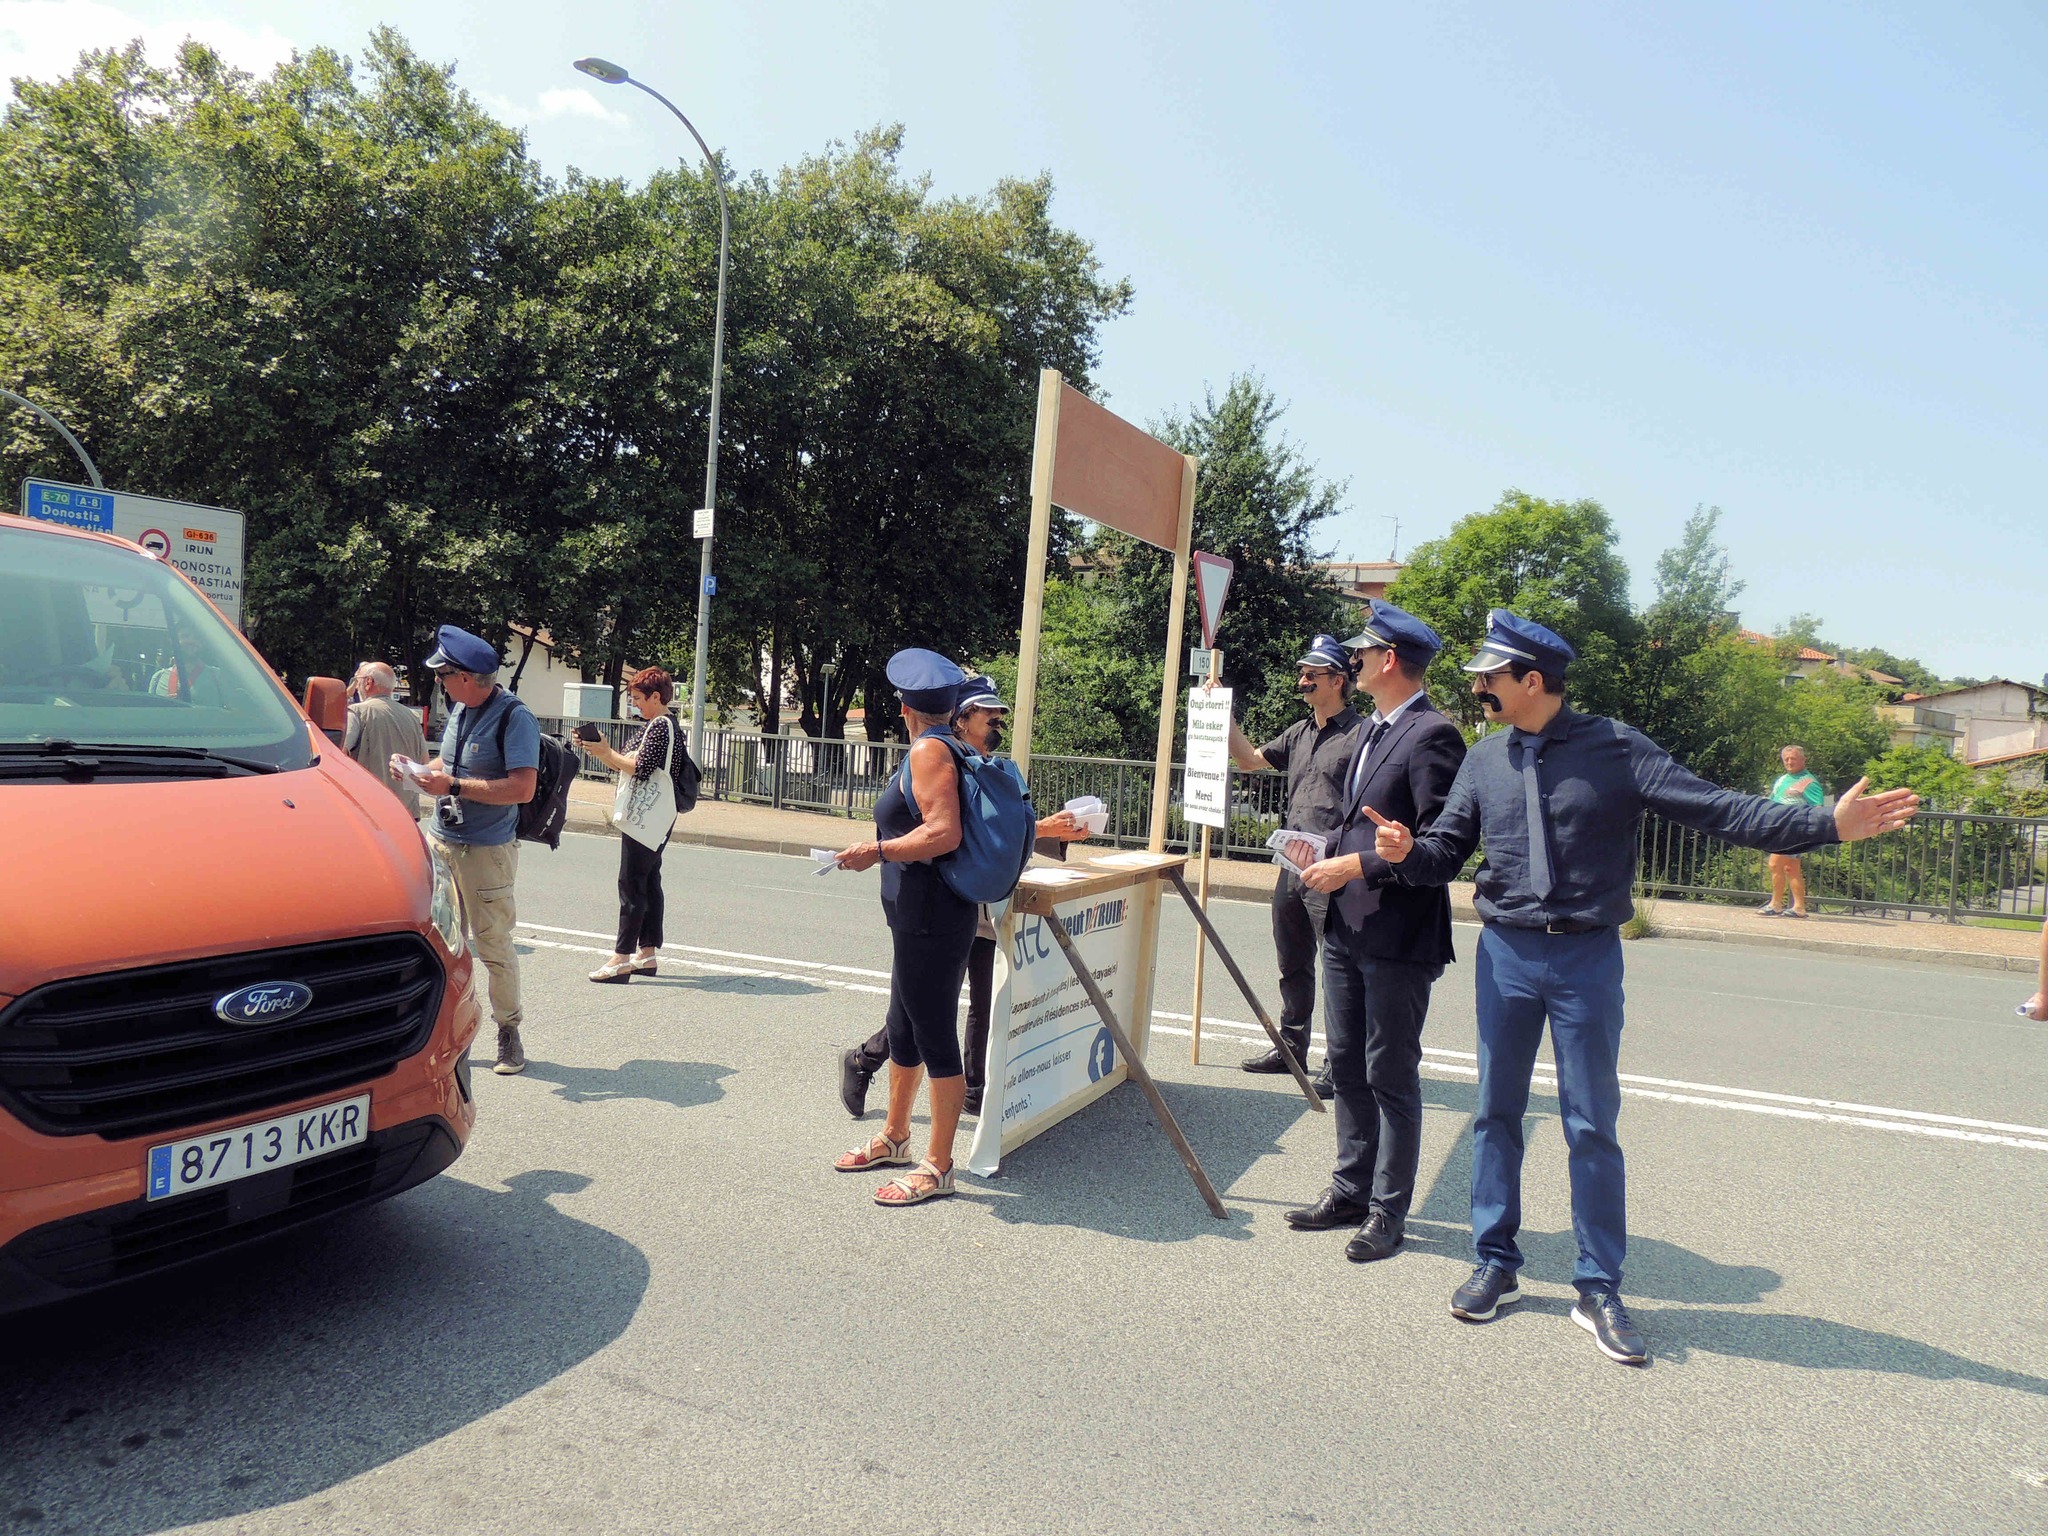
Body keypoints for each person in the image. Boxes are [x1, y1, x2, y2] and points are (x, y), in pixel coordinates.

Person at [1367, 609, 1920, 1365]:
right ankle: (1495, 1261)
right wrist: (1404, 852)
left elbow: (1721, 808)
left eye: (1490, 676)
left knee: (1591, 1123)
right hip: (1506, 956)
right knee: (1496, 1115)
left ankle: (1598, 1287)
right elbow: (1442, 855)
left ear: (1533, 681)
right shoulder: (1483, 759)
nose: (1479, 686)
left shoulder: (1617, 748)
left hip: (1586, 958)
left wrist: (1825, 824)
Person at [1285, 602, 1466, 1263]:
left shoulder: (1433, 734)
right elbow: (1354, 823)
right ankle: (1350, 1191)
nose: (1351, 661)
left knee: (1391, 1074)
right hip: (1346, 926)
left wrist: (1360, 860)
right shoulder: (1371, 731)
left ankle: (1388, 1213)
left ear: (1388, 660)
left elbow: (1436, 846)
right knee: (1351, 1070)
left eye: (1360, 653)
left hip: (1397, 934)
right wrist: (1315, 849)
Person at [836, 674, 1090, 1119]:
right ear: (961, 717)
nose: (997, 721)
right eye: (988, 713)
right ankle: (879, 1069)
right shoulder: (942, 758)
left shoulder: (983, 762)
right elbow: (950, 833)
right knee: (926, 1010)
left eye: (999, 714)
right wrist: (877, 852)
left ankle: (951, 1095)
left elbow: (995, 835)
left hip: (970, 899)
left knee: (946, 1003)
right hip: (944, 899)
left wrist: (1049, 829)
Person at [829, 649, 981, 1206]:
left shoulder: (928, 752)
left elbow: (943, 833)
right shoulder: (951, 746)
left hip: (932, 915)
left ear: (903, 707)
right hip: (920, 915)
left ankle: (938, 1166)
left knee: (936, 1035)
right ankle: (895, 1136)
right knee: (904, 1024)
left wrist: (878, 849)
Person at [1225, 635, 1367, 1093]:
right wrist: (1220, 713)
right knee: (1293, 962)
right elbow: (1248, 761)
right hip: (1292, 868)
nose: (1302, 680)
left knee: (1338, 972)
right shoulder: (1299, 732)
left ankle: (1339, 1063)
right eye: (1302, 672)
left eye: (1312, 674)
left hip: (1333, 871)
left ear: (1338, 680)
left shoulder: (1363, 736)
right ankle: (1291, 1050)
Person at [406, 625, 540, 1077]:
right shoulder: (460, 708)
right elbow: (452, 761)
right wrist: (423, 771)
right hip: (442, 839)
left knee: (493, 946)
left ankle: (509, 1031)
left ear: (464, 677)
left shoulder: (514, 717)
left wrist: (455, 785)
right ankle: (445, 1034)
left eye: (444, 675)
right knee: (441, 944)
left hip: (486, 851)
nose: (440, 682)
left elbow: (522, 788)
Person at [574, 668, 683, 984]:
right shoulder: (655, 725)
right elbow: (623, 760)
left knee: (631, 882)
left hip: (646, 817)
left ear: (656, 697)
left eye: (638, 698)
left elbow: (639, 768)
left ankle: (621, 958)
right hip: (654, 816)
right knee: (648, 880)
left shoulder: (661, 726)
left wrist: (605, 752)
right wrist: (600, 749)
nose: (635, 704)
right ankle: (646, 953)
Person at [344, 660, 430, 816]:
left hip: (370, 812)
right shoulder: (411, 716)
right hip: (407, 812)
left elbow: (339, 755)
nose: (356, 686)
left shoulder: (357, 712)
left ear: (368, 682)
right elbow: (424, 760)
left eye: (357, 680)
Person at [1759, 745, 1825, 918]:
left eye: (1793, 758)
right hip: (1780, 828)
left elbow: (1817, 807)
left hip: (1794, 830)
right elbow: (1773, 801)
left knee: (1775, 864)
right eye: (1786, 759)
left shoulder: (1808, 782)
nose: (1789, 762)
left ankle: (1776, 904)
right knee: (1791, 867)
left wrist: (1811, 830)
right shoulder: (1782, 780)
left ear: (1803, 760)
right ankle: (1799, 907)